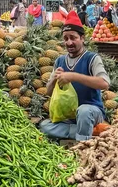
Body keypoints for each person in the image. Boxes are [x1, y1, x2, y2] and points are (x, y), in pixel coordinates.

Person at [39, 11, 110, 142]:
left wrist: (73, 76)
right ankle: (85, 131)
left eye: (73, 38)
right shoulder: (60, 61)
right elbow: (48, 93)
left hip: (91, 111)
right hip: (68, 118)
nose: (69, 42)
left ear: (82, 38)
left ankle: (82, 145)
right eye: (66, 38)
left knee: (83, 111)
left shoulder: (92, 58)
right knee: (44, 126)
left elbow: (104, 83)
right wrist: (54, 78)